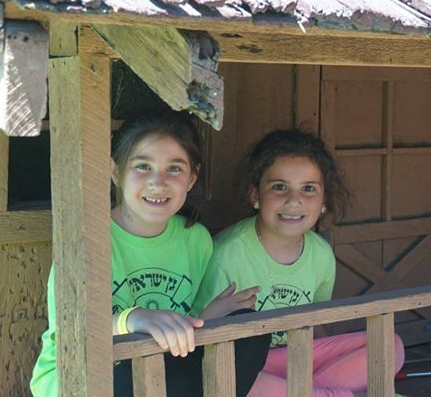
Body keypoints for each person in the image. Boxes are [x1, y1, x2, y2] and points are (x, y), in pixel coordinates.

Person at [30, 108, 270, 397]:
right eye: (143, 166)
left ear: (192, 178)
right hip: (86, 373)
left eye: (174, 169)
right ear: (115, 171)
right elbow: (71, 330)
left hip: (159, 367)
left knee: (249, 332)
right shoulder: (87, 240)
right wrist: (133, 320)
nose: (158, 182)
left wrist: (208, 317)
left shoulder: (195, 239)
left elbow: (181, 329)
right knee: (136, 372)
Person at [194, 129, 405, 397]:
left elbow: (316, 323)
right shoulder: (228, 255)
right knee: (240, 381)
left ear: (324, 200)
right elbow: (204, 344)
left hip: (297, 357)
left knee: (389, 345)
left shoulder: (321, 254)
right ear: (255, 195)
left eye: (308, 188)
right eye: (279, 187)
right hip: (246, 366)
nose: (294, 200)